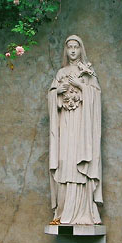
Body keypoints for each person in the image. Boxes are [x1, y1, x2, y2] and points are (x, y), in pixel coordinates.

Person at [48, 34, 103, 225]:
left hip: (82, 127)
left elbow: (96, 99)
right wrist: (57, 94)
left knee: (80, 163)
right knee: (66, 162)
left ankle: (83, 211)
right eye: (69, 47)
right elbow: (52, 99)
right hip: (65, 125)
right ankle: (64, 211)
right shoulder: (61, 73)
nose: (72, 50)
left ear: (81, 49)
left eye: (76, 47)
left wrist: (81, 85)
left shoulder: (87, 72)